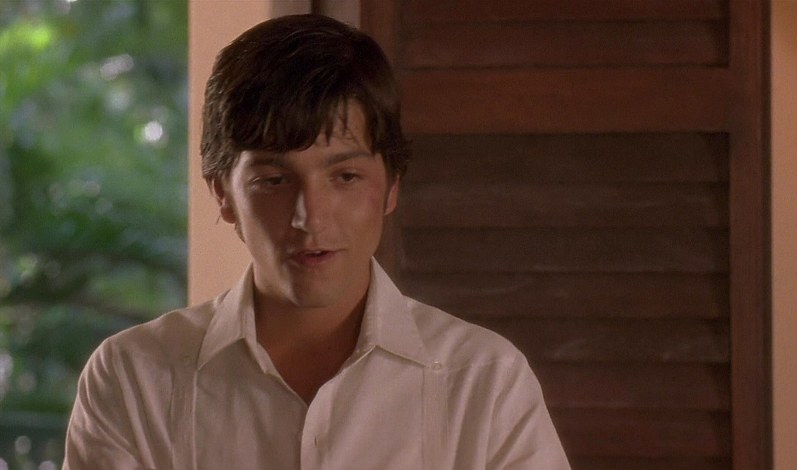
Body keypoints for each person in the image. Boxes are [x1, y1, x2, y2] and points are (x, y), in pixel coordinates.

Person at [63, 14, 571, 470]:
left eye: (345, 176)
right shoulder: (135, 377)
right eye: (274, 180)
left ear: (391, 185)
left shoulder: (483, 381)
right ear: (223, 195)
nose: (310, 216)